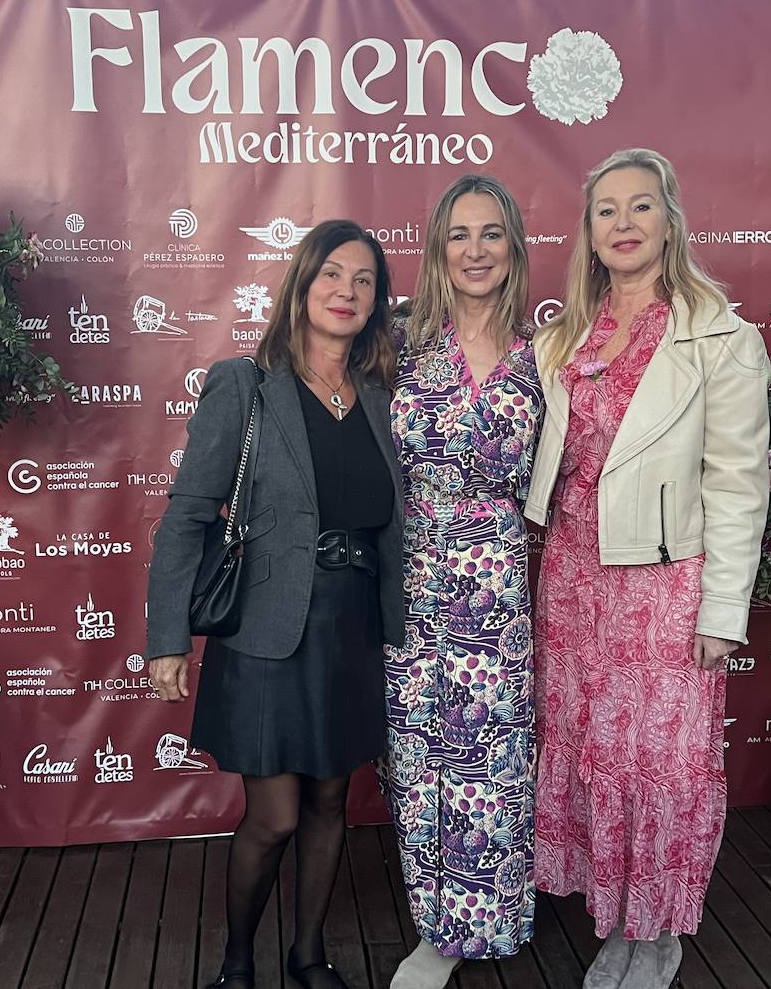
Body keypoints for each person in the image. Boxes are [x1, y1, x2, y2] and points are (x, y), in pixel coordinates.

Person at [526, 149, 769, 989]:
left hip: (664, 586)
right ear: (589, 232)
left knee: (660, 759)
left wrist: (722, 609)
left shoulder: (723, 337)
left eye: (639, 207)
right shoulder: (564, 334)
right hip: (570, 579)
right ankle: (615, 912)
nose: (622, 224)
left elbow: (737, 482)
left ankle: (656, 931)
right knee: (593, 748)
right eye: (605, 211)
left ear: (670, 218)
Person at [147, 220, 403, 989]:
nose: (346, 292)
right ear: (300, 283)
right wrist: (168, 639)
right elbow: (187, 516)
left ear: (376, 301)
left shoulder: (385, 398)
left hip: (352, 627)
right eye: (331, 274)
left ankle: (307, 955)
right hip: (267, 630)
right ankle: (236, 964)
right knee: (277, 815)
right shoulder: (245, 384)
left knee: (332, 801)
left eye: (363, 280)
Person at [384, 174, 544, 989]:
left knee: (490, 749)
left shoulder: (543, 350)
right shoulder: (400, 342)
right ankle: (437, 930)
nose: (475, 250)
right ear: (438, 249)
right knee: (423, 751)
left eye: (491, 233)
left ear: (513, 245)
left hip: (499, 572)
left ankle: (496, 912)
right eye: (459, 234)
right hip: (411, 570)